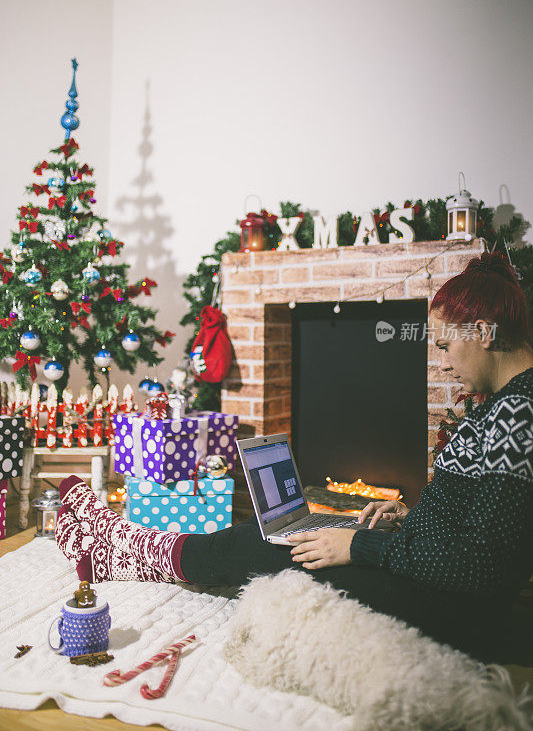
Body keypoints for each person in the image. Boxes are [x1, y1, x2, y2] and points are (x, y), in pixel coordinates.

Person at [56, 252, 533, 658]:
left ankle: (128, 550)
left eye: (447, 345)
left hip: (445, 611)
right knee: (280, 531)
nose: (445, 362)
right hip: (425, 576)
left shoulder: (518, 413)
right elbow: (484, 526)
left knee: (266, 544)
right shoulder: (514, 403)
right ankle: (128, 549)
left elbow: (482, 566)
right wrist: (411, 518)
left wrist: (358, 546)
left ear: (485, 332)